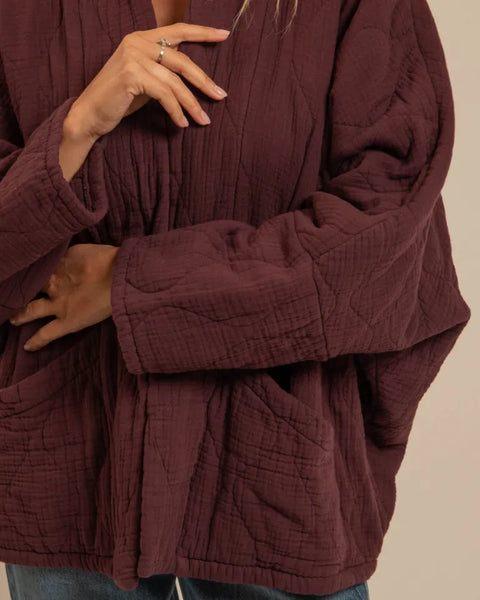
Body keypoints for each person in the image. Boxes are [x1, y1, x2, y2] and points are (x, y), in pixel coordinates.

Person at [0, 0, 470, 598]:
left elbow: (379, 237)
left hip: (270, 469)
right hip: (62, 460)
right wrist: (78, 127)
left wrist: (132, 281)